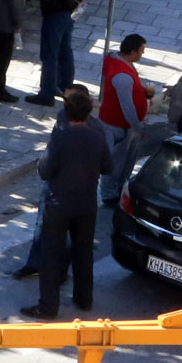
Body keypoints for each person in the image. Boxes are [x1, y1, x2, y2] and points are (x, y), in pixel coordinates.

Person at [25, 85, 111, 319]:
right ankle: (84, 299)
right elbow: (108, 167)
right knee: (84, 252)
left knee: (51, 253)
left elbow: (44, 170)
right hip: (86, 203)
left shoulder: (61, 137)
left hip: (59, 202)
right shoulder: (98, 135)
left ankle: (48, 306)